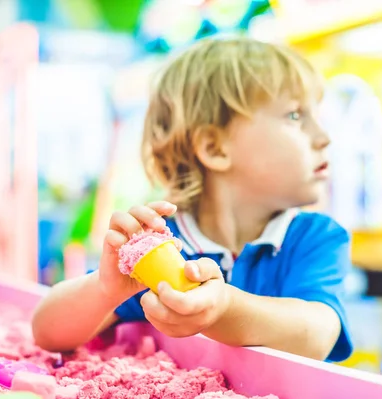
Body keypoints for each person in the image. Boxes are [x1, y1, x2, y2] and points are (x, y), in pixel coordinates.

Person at [32, 36, 353, 362]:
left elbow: (318, 335)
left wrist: (224, 309)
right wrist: (104, 290)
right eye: (295, 116)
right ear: (214, 148)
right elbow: (47, 332)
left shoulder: (315, 238)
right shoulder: (163, 245)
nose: (324, 137)